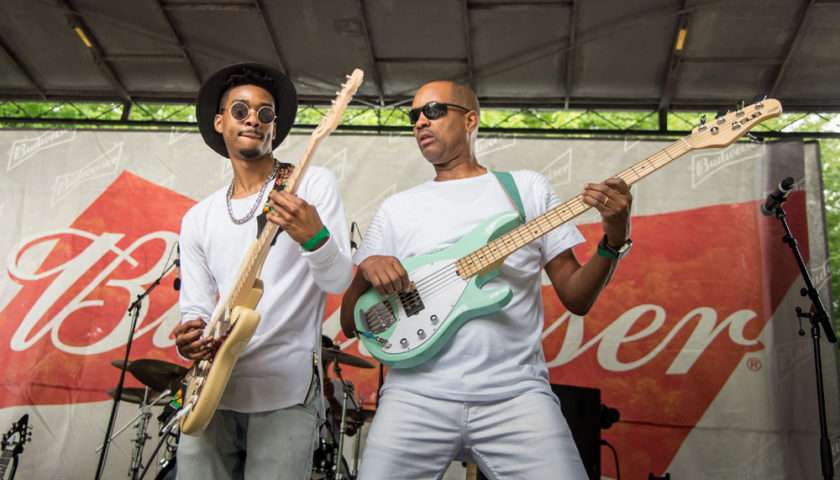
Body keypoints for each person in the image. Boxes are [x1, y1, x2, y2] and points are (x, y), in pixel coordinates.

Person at [340, 80, 633, 479]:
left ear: (471, 120)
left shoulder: (525, 190)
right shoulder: (397, 208)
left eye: (434, 111)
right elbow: (348, 321)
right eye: (414, 116)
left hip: (515, 395)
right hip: (414, 396)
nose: (420, 122)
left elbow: (576, 297)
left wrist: (614, 237)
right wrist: (366, 270)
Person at [173, 63, 353, 479]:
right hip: (211, 392)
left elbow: (339, 281)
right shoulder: (198, 217)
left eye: (265, 113)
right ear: (220, 122)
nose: (253, 118)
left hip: (286, 390)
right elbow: (195, 308)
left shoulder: (310, 185)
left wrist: (314, 237)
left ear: (275, 127)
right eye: (240, 110)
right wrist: (190, 334)